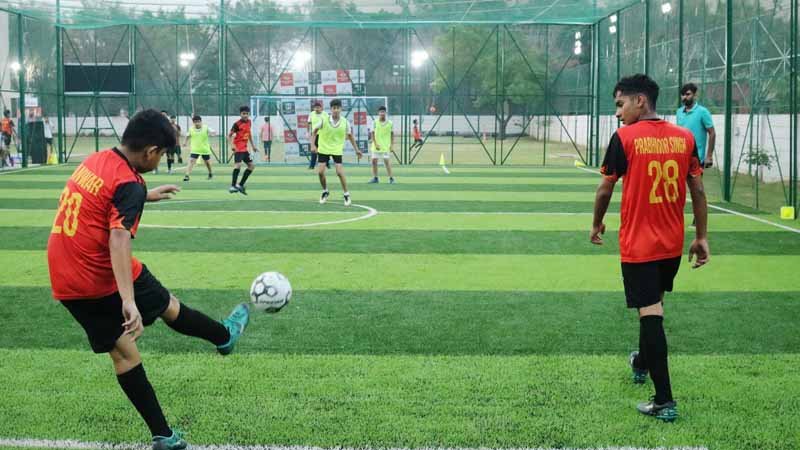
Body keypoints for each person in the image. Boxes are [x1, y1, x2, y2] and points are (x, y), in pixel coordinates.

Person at [47, 109, 250, 450]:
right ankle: (224, 336)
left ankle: (163, 435)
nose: (161, 160)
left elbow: (102, 199)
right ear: (151, 151)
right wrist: (128, 300)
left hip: (64, 271)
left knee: (125, 353)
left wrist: (145, 195)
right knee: (166, 305)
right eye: (164, 155)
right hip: (98, 269)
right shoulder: (129, 183)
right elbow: (119, 238)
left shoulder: (97, 159)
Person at [590, 74, 710, 422]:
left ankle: (665, 401)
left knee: (651, 314)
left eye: (620, 104)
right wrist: (701, 236)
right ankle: (641, 362)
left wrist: (597, 223)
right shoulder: (685, 137)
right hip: (671, 245)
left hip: (639, 246)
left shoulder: (624, 138)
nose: (618, 113)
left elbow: (604, 189)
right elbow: (698, 191)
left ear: (640, 101)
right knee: (653, 307)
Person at [310, 99, 363, 206]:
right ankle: (325, 191)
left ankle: (346, 194)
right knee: (320, 172)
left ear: (341, 109)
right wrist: (313, 145)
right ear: (331, 109)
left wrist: (357, 150)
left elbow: (350, 136)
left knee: (339, 172)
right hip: (324, 148)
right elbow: (314, 131)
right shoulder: (324, 120)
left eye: (338, 108)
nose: (336, 110)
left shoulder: (345, 122)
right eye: (334, 108)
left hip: (336, 149)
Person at [676, 83, 715, 168]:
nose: (684, 97)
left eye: (688, 94)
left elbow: (712, 133)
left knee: (696, 182)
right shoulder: (679, 112)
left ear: (695, 95)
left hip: (696, 160)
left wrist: (709, 156)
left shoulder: (703, 112)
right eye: (682, 95)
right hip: (681, 158)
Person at [228, 105, 258, 195]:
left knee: (251, 166)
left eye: (247, 113)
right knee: (238, 165)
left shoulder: (249, 122)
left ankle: (240, 185)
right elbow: (229, 135)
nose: (245, 115)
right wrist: (232, 145)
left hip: (244, 149)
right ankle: (232, 186)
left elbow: (249, 134)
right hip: (238, 148)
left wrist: (253, 146)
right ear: (240, 114)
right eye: (243, 113)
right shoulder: (237, 124)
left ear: (249, 114)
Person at [368, 106, 395, 184]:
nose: (382, 113)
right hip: (376, 146)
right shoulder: (374, 122)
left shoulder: (390, 123)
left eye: (383, 112)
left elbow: (392, 134)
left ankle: (391, 178)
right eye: (381, 112)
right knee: (374, 161)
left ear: (386, 113)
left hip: (386, 146)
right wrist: (375, 144)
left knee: (387, 161)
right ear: (378, 113)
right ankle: (375, 178)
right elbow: (372, 133)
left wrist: (392, 145)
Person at [183, 115, 214, 181]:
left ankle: (210, 173)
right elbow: (187, 136)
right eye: (195, 122)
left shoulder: (206, 127)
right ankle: (187, 176)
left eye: (198, 121)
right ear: (193, 122)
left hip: (204, 149)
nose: (197, 123)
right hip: (195, 149)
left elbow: (213, 132)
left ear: (201, 121)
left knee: (207, 163)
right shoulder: (191, 129)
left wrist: (212, 133)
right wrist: (185, 142)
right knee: (191, 161)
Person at [307, 101, 330, 169]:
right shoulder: (311, 114)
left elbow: (329, 124)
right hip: (314, 135)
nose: (317, 109)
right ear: (314, 108)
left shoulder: (325, 114)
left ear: (321, 108)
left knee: (325, 150)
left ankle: (327, 164)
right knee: (313, 150)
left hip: (323, 135)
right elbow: (309, 123)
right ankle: (312, 166)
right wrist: (307, 132)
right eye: (315, 107)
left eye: (318, 107)